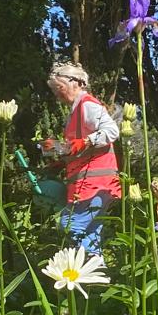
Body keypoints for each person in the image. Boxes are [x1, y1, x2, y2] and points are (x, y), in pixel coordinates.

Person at [44, 61, 121, 252]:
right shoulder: (75, 111)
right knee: (89, 237)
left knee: (70, 225)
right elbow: (76, 148)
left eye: (59, 88)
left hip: (95, 185)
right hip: (87, 185)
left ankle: (80, 272)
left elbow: (112, 131)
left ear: (76, 83)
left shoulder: (87, 106)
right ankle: (94, 277)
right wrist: (60, 157)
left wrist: (86, 141)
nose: (57, 94)